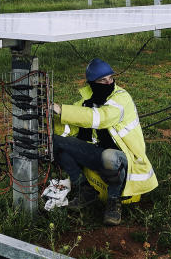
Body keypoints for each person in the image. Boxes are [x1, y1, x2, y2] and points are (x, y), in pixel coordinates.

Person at [51, 58, 157, 225]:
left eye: (111, 78)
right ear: (92, 83)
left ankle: (114, 202)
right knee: (57, 142)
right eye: (103, 80)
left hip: (125, 158)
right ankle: (85, 189)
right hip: (97, 152)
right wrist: (52, 117)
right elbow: (70, 129)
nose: (109, 82)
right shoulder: (87, 102)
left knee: (109, 156)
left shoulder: (121, 98)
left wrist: (62, 110)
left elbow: (100, 118)